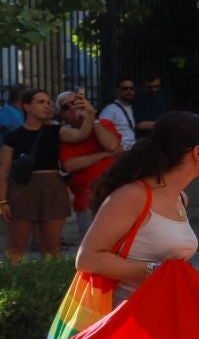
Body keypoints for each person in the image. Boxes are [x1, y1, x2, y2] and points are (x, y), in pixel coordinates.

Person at [75, 110, 199, 304]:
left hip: (164, 310)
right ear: (197, 152)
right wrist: (155, 271)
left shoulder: (181, 198)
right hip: (130, 315)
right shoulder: (133, 195)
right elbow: (87, 259)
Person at [1, 90, 100, 261]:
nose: (47, 106)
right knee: (16, 245)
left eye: (48, 102)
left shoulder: (56, 131)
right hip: (22, 189)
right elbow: (3, 171)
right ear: (27, 106)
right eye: (41, 102)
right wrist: (2, 201)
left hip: (52, 187)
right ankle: (14, 284)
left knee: (51, 246)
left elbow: (82, 134)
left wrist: (90, 113)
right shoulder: (13, 136)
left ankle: (51, 283)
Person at [55, 91, 121, 225]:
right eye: (66, 107)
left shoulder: (103, 123)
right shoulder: (64, 135)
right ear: (61, 115)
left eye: (75, 102)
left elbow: (112, 145)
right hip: (86, 197)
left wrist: (92, 119)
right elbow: (69, 165)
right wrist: (103, 155)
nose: (72, 108)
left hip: (114, 191)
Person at [101, 79, 139, 148]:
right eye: (125, 89)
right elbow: (102, 130)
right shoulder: (110, 109)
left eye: (132, 88)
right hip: (120, 151)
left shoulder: (132, 108)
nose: (129, 91)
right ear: (117, 91)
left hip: (132, 149)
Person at [132, 74, 169, 141]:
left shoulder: (162, 98)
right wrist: (165, 124)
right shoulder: (138, 100)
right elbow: (140, 125)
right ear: (144, 85)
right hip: (146, 139)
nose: (153, 89)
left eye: (157, 86)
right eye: (150, 87)